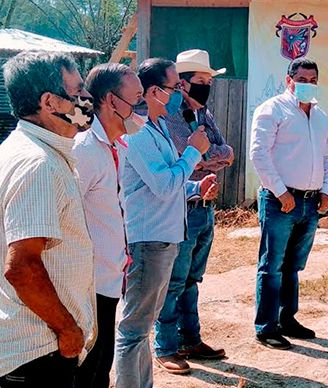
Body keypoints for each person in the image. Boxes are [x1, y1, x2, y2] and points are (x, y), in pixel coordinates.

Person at [0, 51, 96, 387]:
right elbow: (22, 267)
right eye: (78, 92)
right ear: (50, 102)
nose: (87, 100)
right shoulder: (38, 165)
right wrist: (67, 329)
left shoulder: (26, 151)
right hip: (39, 351)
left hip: (37, 347)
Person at [114, 58, 210, 386]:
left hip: (164, 238)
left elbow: (170, 183)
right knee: (133, 331)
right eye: (174, 87)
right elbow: (163, 184)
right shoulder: (139, 135)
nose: (180, 93)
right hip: (147, 241)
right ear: (154, 91)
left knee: (143, 326)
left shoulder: (158, 129)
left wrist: (196, 186)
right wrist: (193, 153)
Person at [154, 49, 233, 369]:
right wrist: (204, 155)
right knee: (174, 280)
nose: (207, 86)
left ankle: (191, 339)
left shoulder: (204, 115)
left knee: (191, 279)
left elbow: (225, 152)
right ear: (182, 84)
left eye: (208, 81)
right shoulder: (168, 117)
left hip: (204, 205)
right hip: (182, 206)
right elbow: (190, 156)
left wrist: (204, 154)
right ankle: (165, 346)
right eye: (201, 80)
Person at [250, 58, 328, 349]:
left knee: (293, 266)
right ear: (289, 80)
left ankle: (288, 319)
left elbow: (326, 157)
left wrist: (325, 190)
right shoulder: (272, 109)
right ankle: (266, 327)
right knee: (272, 265)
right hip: (279, 201)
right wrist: (281, 192)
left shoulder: (321, 116)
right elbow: (259, 154)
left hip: (310, 203)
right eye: (302, 79)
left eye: (313, 80)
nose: (308, 84)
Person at [72, 63, 144, 388]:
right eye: (137, 99)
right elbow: (63, 217)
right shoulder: (85, 150)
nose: (140, 108)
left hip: (109, 279)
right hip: (85, 288)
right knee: (88, 375)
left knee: (101, 371)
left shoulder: (118, 147)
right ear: (112, 101)